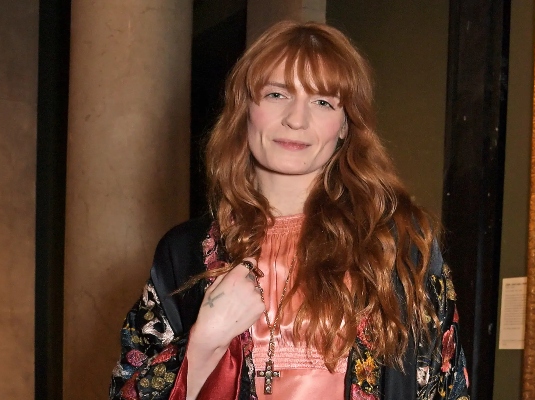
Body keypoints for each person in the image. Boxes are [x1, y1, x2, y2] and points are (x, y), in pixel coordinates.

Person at [110, 20, 469, 400]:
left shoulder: (397, 243)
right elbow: (127, 389)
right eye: (277, 94)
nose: (296, 120)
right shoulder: (183, 253)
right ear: (245, 108)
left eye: (322, 102)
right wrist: (203, 343)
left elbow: (446, 386)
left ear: (345, 125)